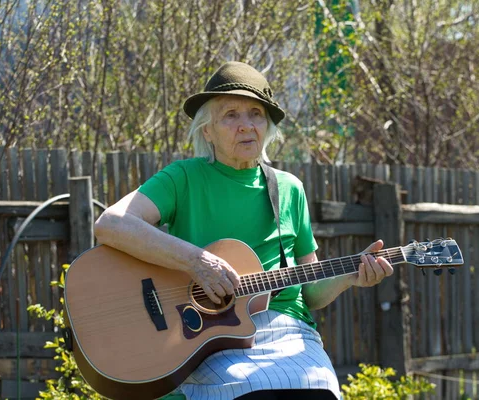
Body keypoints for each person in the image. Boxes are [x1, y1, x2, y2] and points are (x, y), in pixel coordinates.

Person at [94, 61, 394, 400]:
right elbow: (111, 224)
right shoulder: (183, 178)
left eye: (256, 114)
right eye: (231, 115)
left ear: (267, 127)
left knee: (317, 388)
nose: (246, 126)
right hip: (204, 334)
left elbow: (310, 291)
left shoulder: (288, 189)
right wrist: (196, 261)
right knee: (253, 390)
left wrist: (351, 275)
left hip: (286, 332)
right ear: (207, 130)